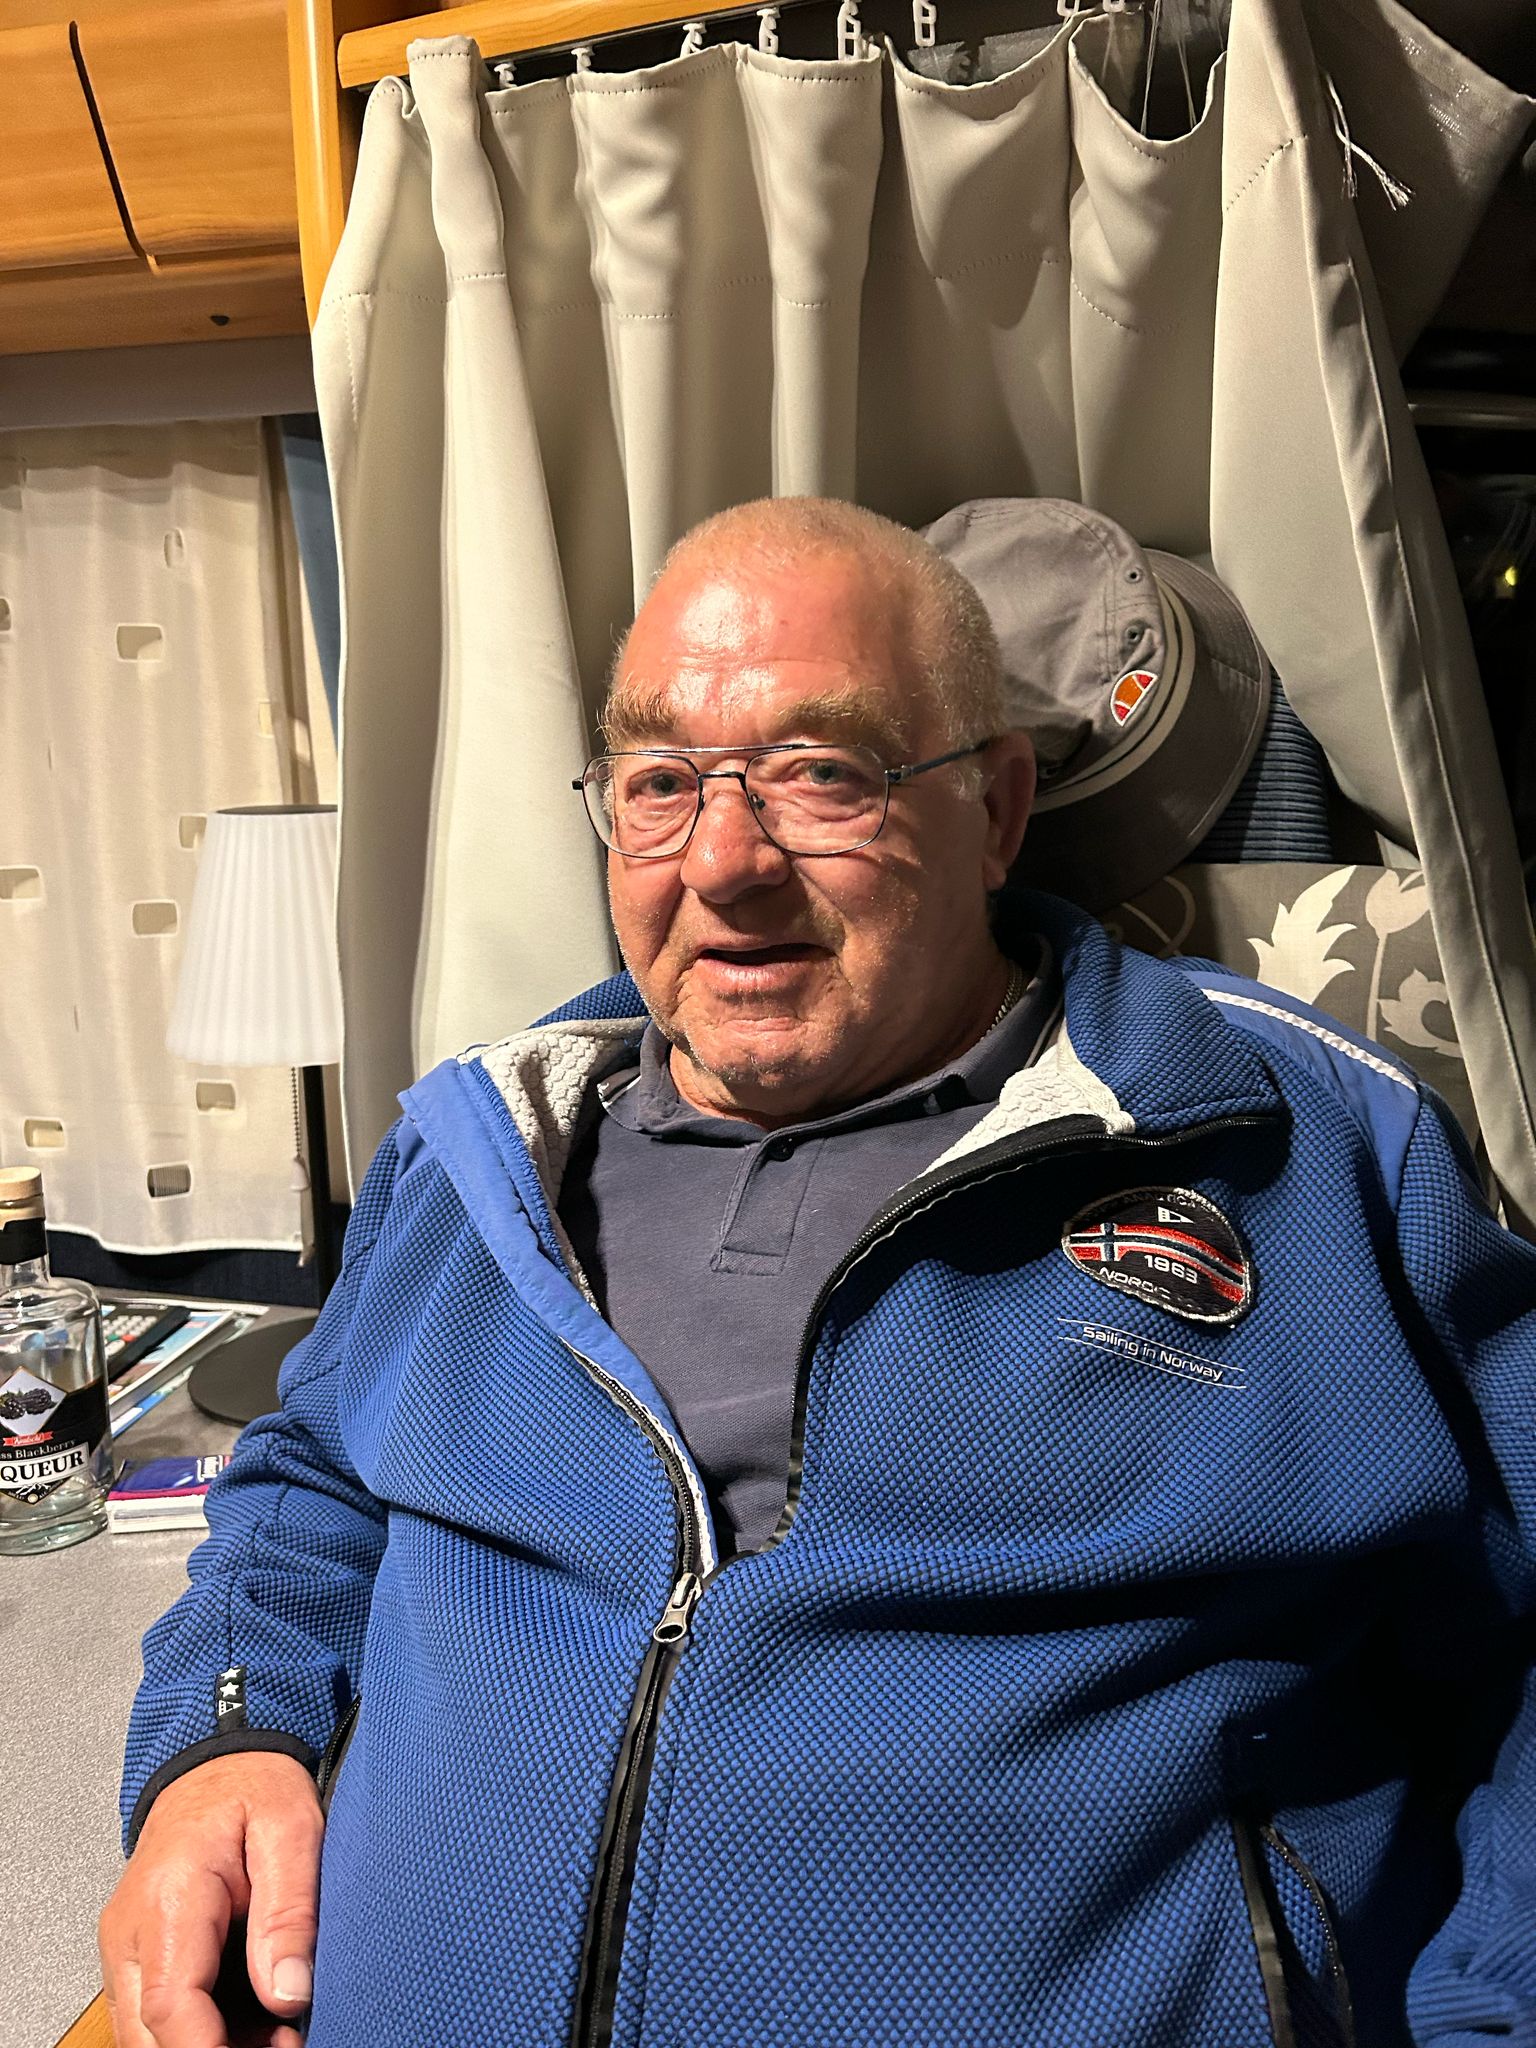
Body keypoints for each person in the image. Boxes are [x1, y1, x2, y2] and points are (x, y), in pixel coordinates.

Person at [102, 498, 1536, 2048]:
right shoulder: (475, 1149)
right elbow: (310, 1482)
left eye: (821, 773)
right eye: (661, 783)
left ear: (996, 809)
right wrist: (225, 1736)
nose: (725, 862)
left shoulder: (1299, 1144)